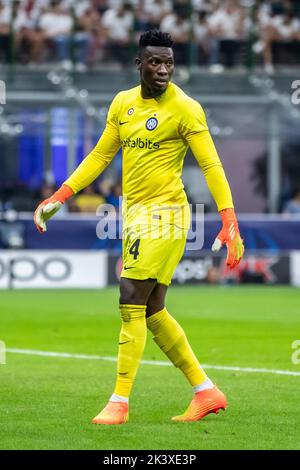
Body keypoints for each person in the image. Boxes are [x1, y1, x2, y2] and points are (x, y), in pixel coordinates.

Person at [34, 30, 244, 425]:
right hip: (134, 215)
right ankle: (205, 391)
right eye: (155, 62)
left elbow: (211, 165)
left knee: (129, 296)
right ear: (139, 64)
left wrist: (228, 219)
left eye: (168, 63)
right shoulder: (122, 103)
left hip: (167, 215)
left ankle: (119, 401)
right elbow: (100, 155)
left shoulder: (185, 108)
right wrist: (59, 197)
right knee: (152, 309)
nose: (163, 70)